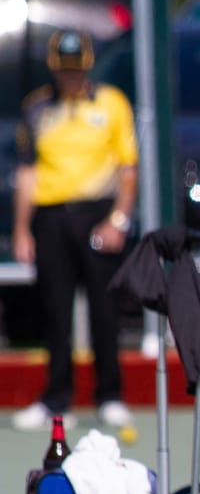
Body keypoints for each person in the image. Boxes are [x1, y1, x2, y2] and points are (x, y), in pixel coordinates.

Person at [10, 30, 136, 436]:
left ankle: (110, 395)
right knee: (55, 311)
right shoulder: (37, 108)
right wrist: (22, 228)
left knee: (104, 309)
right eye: (63, 69)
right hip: (51, 215)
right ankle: (56, 397)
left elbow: (127, 168)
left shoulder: (111, 103)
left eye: (76, 68)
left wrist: (118, 218)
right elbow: (27, 173)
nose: (70, 76)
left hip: (97, 212)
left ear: (87, 66)